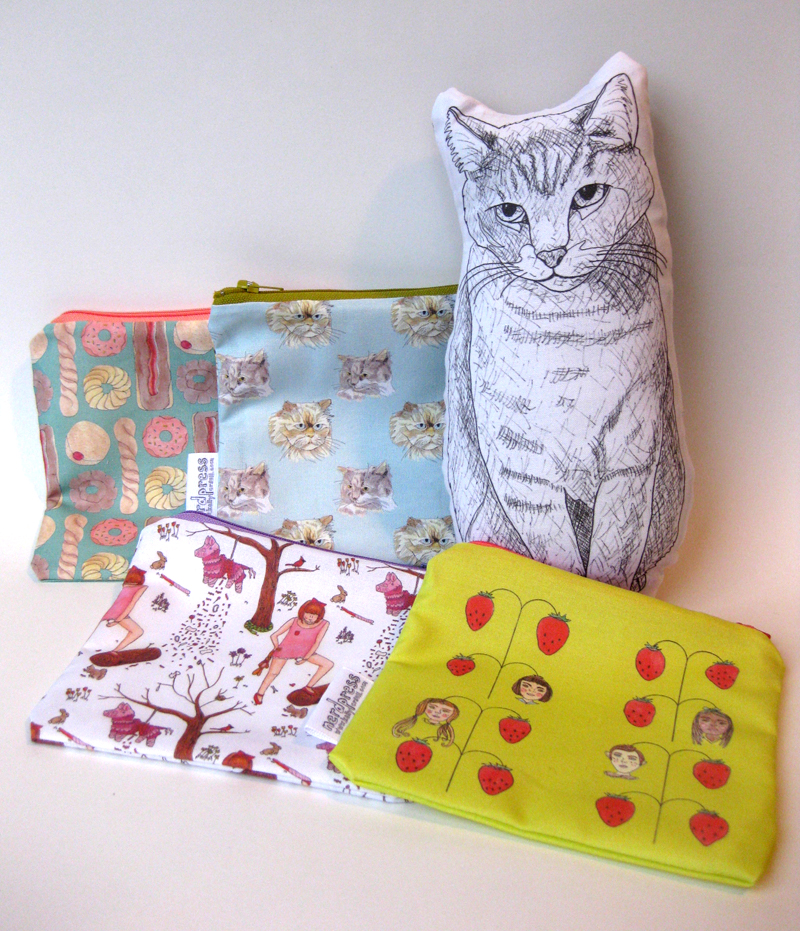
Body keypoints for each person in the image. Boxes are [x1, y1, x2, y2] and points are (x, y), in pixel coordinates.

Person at [253, 598, 332, 705]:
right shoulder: (294, 621)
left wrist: (306, 658)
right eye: (308, 613)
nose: (310, 617)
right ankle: (260, 693)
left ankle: (308, 686)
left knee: (328, 664)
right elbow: (274, 635)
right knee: (273, 673)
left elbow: (317, 642)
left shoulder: (324, 624)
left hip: (305, 652)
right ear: (302, 612)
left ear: (319, 616)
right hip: (285, 650)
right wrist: (277, 647)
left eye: (314, 615)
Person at [100, 565, 147, 652]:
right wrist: (117, 621)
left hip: (112, 611)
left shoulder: (124, 586)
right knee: (137, 631)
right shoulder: (141, 588)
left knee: (137, 631)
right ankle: (115, 651)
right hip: (120, 613)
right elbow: (131, 604)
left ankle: (114, 651)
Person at [392, 698, 460, 747]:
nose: (437, 712)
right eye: (432, 707)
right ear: (424, 707)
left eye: (445, 711)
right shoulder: (414, 722)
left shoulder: (444, 731)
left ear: (452, 715)